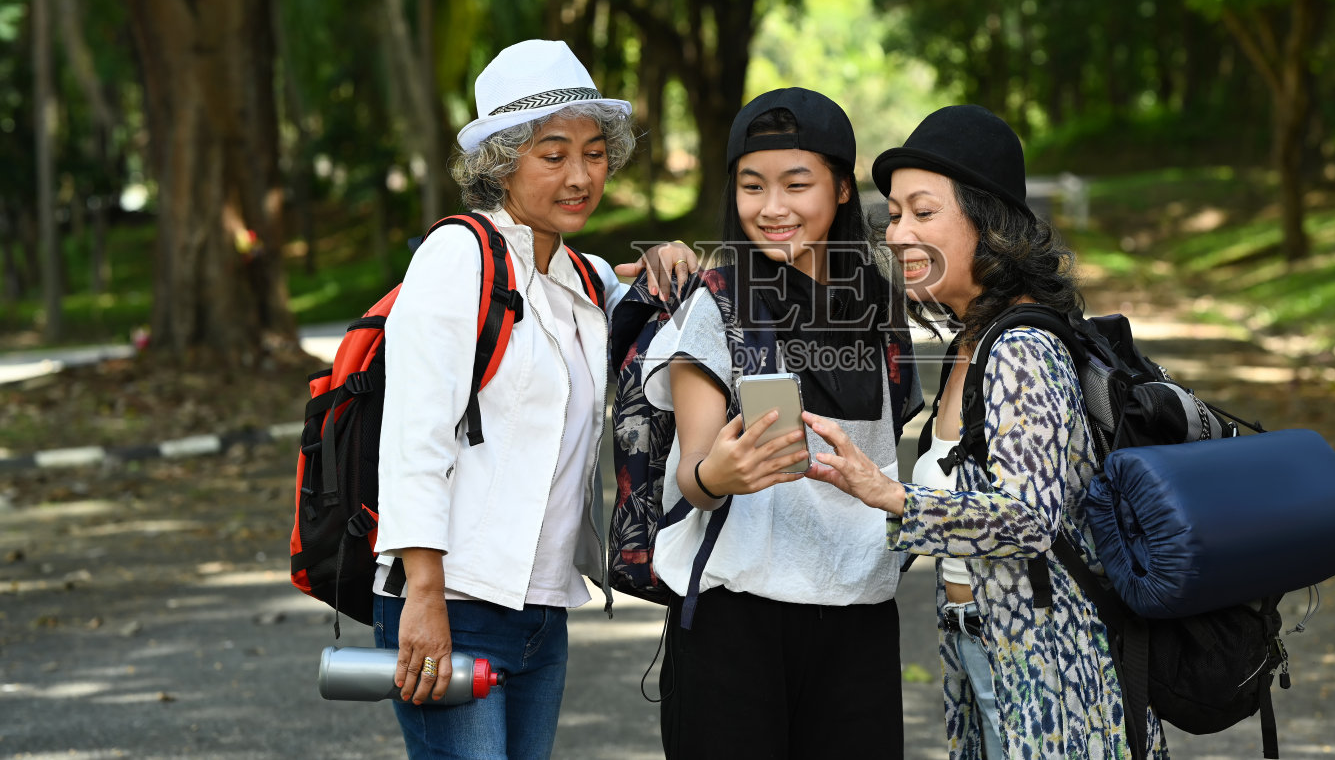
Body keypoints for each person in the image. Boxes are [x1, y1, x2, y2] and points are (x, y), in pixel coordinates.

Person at [803, 105, 1170, 759]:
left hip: (1046, 664)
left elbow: (1027, 519)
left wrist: (887, 493)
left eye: (923, 211)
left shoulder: (1021, 346)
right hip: (983, 645)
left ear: (988, 221)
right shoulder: (969, 342)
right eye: (893, 214)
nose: (897, 232)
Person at [369, 39, 695, 760]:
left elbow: (641, 299)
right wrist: (423, 593)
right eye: (553, 155)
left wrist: (669, 259)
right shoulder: (458, 257)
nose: (580, 175)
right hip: (451, 600)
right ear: (501, 163)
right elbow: (413, 436)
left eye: (594, 152)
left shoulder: (578, 276)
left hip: (542, 610)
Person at [638, 88, 923, 759]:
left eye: (797, 183)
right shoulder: (716, 304)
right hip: (737, 623)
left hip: (859, 619)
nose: (772, 207)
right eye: (751, 185)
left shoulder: (881, 307)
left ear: (842, 189)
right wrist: (720, 473)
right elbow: (692, 477)